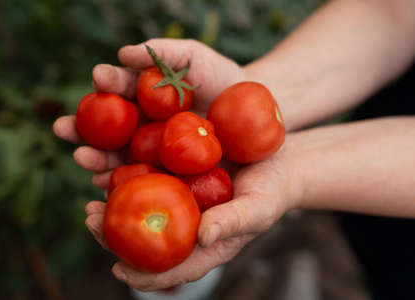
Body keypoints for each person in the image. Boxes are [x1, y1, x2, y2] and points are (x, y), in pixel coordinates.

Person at [53, 0, 415, 298]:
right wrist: (253, 95)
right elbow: (393, 11)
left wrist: (295, 175)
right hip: (372, 206)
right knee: (357, 251)